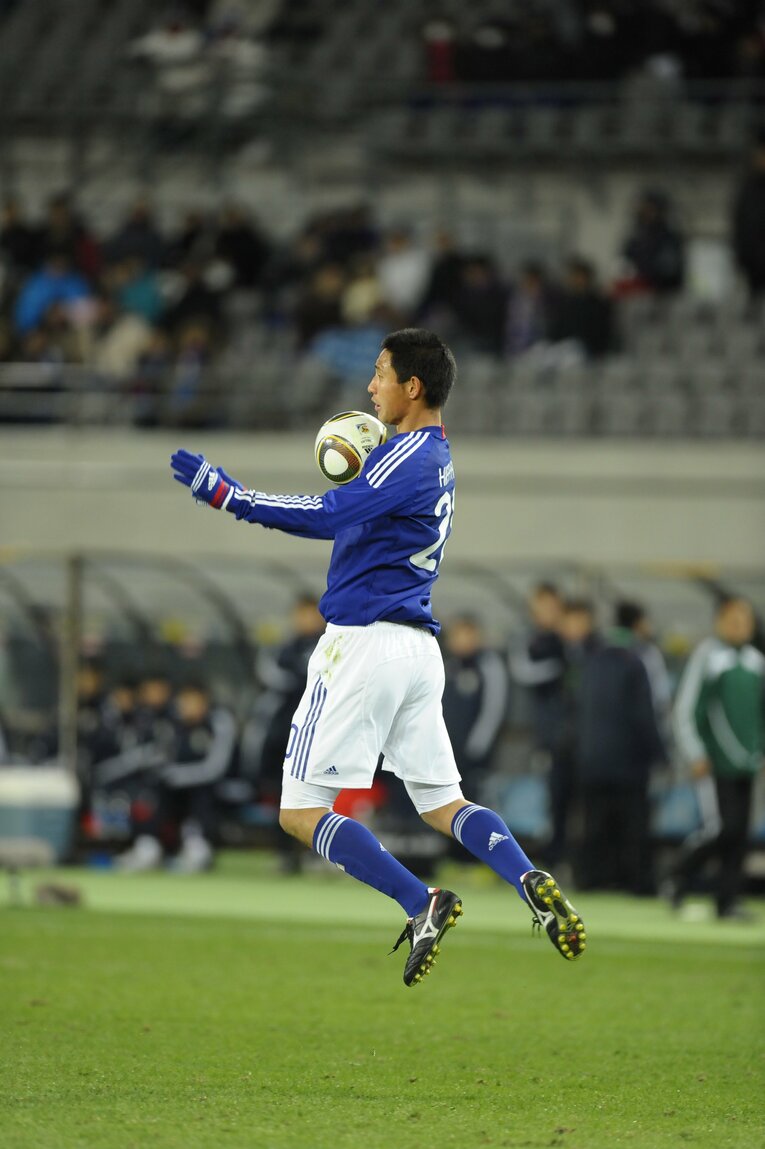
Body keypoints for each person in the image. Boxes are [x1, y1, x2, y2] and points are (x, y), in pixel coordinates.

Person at [170, 327, 586, 986]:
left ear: (411, 387)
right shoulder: (433, 459)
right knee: (442, 802)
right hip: (416, 648)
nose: (370, 386)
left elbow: (327, 513)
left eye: (380, 372)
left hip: (362, 644)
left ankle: (418, 900)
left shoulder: (408, 455)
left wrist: (229, 495)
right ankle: (525, 875)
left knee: (299, 810)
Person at [669, 597, 765, 920]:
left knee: (740, 833)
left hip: (747, 764)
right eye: (734, 619)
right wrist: (695, 752)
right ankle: (679, 874)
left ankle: (727, 901)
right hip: (714, 763)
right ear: (720, 622)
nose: (741, 626)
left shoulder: (754, 662)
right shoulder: (708, 658)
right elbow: (685, 708)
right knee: (722, 828)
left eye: (746, 620)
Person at [574, 608, 667, 895]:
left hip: (591, 756)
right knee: (634, 823)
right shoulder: (637, 660)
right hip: (628, 759)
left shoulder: (592, 658)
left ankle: (590, 879)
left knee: (595, 822)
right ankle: (638, 883)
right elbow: (644, 713)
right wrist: (659, 754)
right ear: (638, 623)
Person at [510, 584, 569, 865]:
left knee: (569, 800)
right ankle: (550, 858)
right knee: (551, 796)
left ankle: (566, 856)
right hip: (546, 735)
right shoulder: (529, 640)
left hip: (579, 736)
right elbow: (522, 671)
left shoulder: (571, 641)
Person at [441, 614, 510, 798]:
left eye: (468, 635)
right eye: (458, 636)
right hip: (446, 747)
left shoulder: (488, 664)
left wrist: (478, 743)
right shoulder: (445, 663)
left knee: (472, 798)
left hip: (473, 749)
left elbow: (494, 707)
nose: (462, 641)